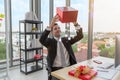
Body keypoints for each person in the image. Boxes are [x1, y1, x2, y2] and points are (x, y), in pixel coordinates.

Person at [39, 15, 83, 80]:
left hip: (69, 68)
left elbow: (80, 36)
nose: (58, 29)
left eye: (59, 28)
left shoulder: (66, 40)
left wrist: (75, 24)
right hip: (56, 70)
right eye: (55, 28)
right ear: (51, 32)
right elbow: (41, 39)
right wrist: (51, 25)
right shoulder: (50, 42)